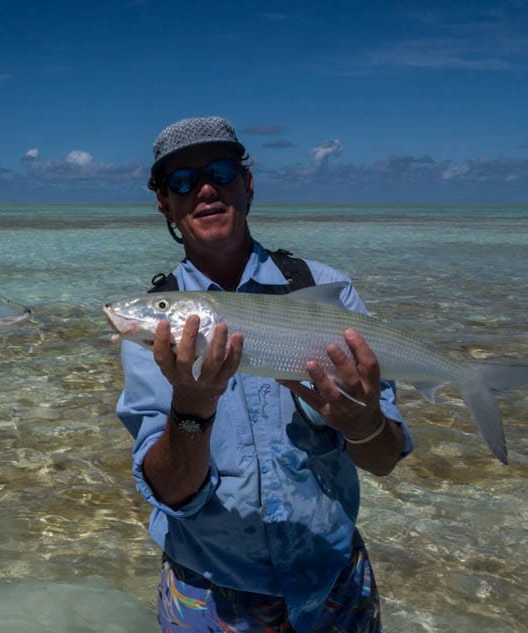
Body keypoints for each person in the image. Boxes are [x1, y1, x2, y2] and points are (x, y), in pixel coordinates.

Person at [115, 116, 413, 633]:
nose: (205, 189)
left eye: (221, 171)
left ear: (247, 184)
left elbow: (383, 461)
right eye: (182, 181)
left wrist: (361, 423)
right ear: (164, 203)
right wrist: (191, 406)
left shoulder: (326, 289)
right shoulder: (155, 332)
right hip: (210, 596)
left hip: (334, 584)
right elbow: (171, 491)